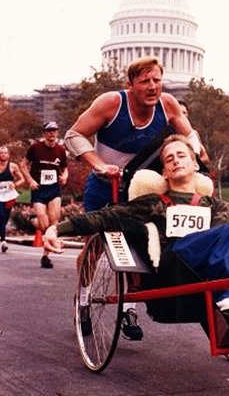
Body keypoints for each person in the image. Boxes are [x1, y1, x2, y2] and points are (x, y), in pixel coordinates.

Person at [44, 134, 229, 336]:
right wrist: (57, 228)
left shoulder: (213, 205)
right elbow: (105, 217)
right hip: (175, 265)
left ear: (195, 165)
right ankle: (228, 297)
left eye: (181, 155)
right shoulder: (154, 202)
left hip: (206, 268)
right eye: (169, 158)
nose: (175, 160)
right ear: (164, 172)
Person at [64, 56, 204, 339]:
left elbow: (191, 136)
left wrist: (198, 153)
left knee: (140, 244)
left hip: (140, 187)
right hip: (106, 184)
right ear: (131, 85)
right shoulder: (111, 103)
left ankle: (130, 307)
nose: (153, 87)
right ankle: (83, 299)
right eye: (145, 81)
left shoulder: (168, 105)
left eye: (157, 80)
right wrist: (99, 164)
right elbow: (73, 136)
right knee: (97, 246)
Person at [21, 121, 68, 268]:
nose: (51, 133)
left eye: (54, 130)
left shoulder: (60, 150)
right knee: (43, 224)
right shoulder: (35, 148)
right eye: (48, 131)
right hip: (39, 189)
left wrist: (65, 176)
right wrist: (30, 181)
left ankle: (45, 257)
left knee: (53, 224)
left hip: (54, 189)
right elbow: (23, 165)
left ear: (57, 133)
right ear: (44, 133)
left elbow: (65, 168)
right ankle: (33, 219)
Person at [0, 145, 25, 252]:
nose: (3, 154)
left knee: (5, 217)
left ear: (8, 155)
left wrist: (15, 185)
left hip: (10, 195)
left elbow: (22, 179)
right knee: (1, 214)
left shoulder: (13, 166)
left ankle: (3, 239)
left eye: (5, 153)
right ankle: (3, 241)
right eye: (1, 153)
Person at [178, 100, 210, 165]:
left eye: (184, 112)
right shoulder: (166, 134)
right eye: (179, 112)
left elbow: (206, 158)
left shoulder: (193, 134)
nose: (182, 115)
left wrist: (191, 163)